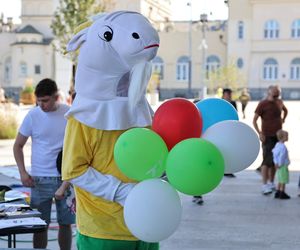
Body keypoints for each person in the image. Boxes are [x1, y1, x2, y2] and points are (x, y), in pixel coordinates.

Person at [62, 11, 160, 249]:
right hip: (103, 230)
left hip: (147, 225)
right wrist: (121, 192)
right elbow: (73, 170)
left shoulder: (142, 108)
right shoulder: (84, 115)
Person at [13, 78, 75, 249]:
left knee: (66, 224)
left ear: (56, 97)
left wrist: (68, 179)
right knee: (39, 225)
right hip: (38, 180)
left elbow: (77, 149)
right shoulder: (33, 115)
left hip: (65, 178)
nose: (41, 104)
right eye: (38, 100)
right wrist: (23, 173)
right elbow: (18, 146)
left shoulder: (69, 114)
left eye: (45, 100)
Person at [253, 85, 288, 195]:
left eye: (278, 94)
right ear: (269, 92)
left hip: (278, 137)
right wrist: (260, 133)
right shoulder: (263, 104)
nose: (277, 96)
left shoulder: (280, 102)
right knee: (266, 161)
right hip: (267, 136)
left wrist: (283, 119)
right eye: (275, 94)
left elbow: (285, 111)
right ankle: (264, 185)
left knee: (274, 161)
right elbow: (254, 120)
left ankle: (271, 182)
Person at [222, 88, 237, 177]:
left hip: (231, 129)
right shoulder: (220, 103)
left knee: (230, 150)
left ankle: (229, 170)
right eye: (228, 94)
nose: (230, 96)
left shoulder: (233, 103)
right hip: (222, 130)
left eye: (230, 95)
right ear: (224, 95)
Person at [272, 129, 290, 199]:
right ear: (283, 137)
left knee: (280, 179)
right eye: (287, 136)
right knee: (283, 180)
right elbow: (282, 157)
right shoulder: (283, 147)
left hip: (278, 165)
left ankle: (278, 191)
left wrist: (276, 163)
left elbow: (274, 155)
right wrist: (280, 164)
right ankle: (282, 193)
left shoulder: (277, 145)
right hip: (282, 166)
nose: (288, 137)